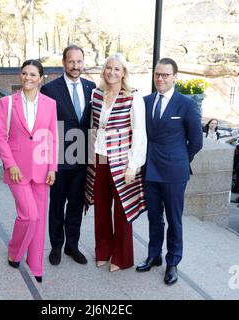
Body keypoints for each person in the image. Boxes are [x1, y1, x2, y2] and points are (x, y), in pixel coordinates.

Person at [137, 58, 203, 285]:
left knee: (174, 220)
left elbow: (196, 141)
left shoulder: (186, 104)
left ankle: (172, 262)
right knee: (153, 217)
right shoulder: (145, 101)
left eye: (165, 75)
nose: (160, 79)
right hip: (149, 170)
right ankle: (153, 255)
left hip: (175, 173)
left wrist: (180, 160)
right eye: (157, 74)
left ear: (174, 76)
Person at [0, 59, 58, 283]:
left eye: (33, 75)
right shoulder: (7, 103)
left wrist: (53, 168)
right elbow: (0, 137)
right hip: (17, 170)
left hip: (42, 169)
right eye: (24, 74)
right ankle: (15, 250)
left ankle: (36, 266)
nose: (28, 78)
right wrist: (10, 164)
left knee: (39, 220)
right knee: (29, 215)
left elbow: (52, 138)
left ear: (41, 78)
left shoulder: (50, 103)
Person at [84, 53, 147, 272]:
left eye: (117, 69)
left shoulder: (133, 97)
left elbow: (139, 134)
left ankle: (122, 257)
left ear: (124, 73)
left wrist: (133, 165)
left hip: (122, 161)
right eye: (109, 68)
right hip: (99, 158)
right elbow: (93, 128)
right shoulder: (96, 94)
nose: (112, 72)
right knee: (101, 209)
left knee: (121, 211)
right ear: (104, 71)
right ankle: (103, 250)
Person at [40, 45, 96, 266]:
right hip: (58, 160)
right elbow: (44, 126)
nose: (76, 66)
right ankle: (55, 246)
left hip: (82, 159)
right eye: (71, 62)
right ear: (64, 63)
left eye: (79, 61)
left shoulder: (92, 88)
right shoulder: (50, 89)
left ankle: (72, 246)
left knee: (75, 205)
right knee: (57, 205)